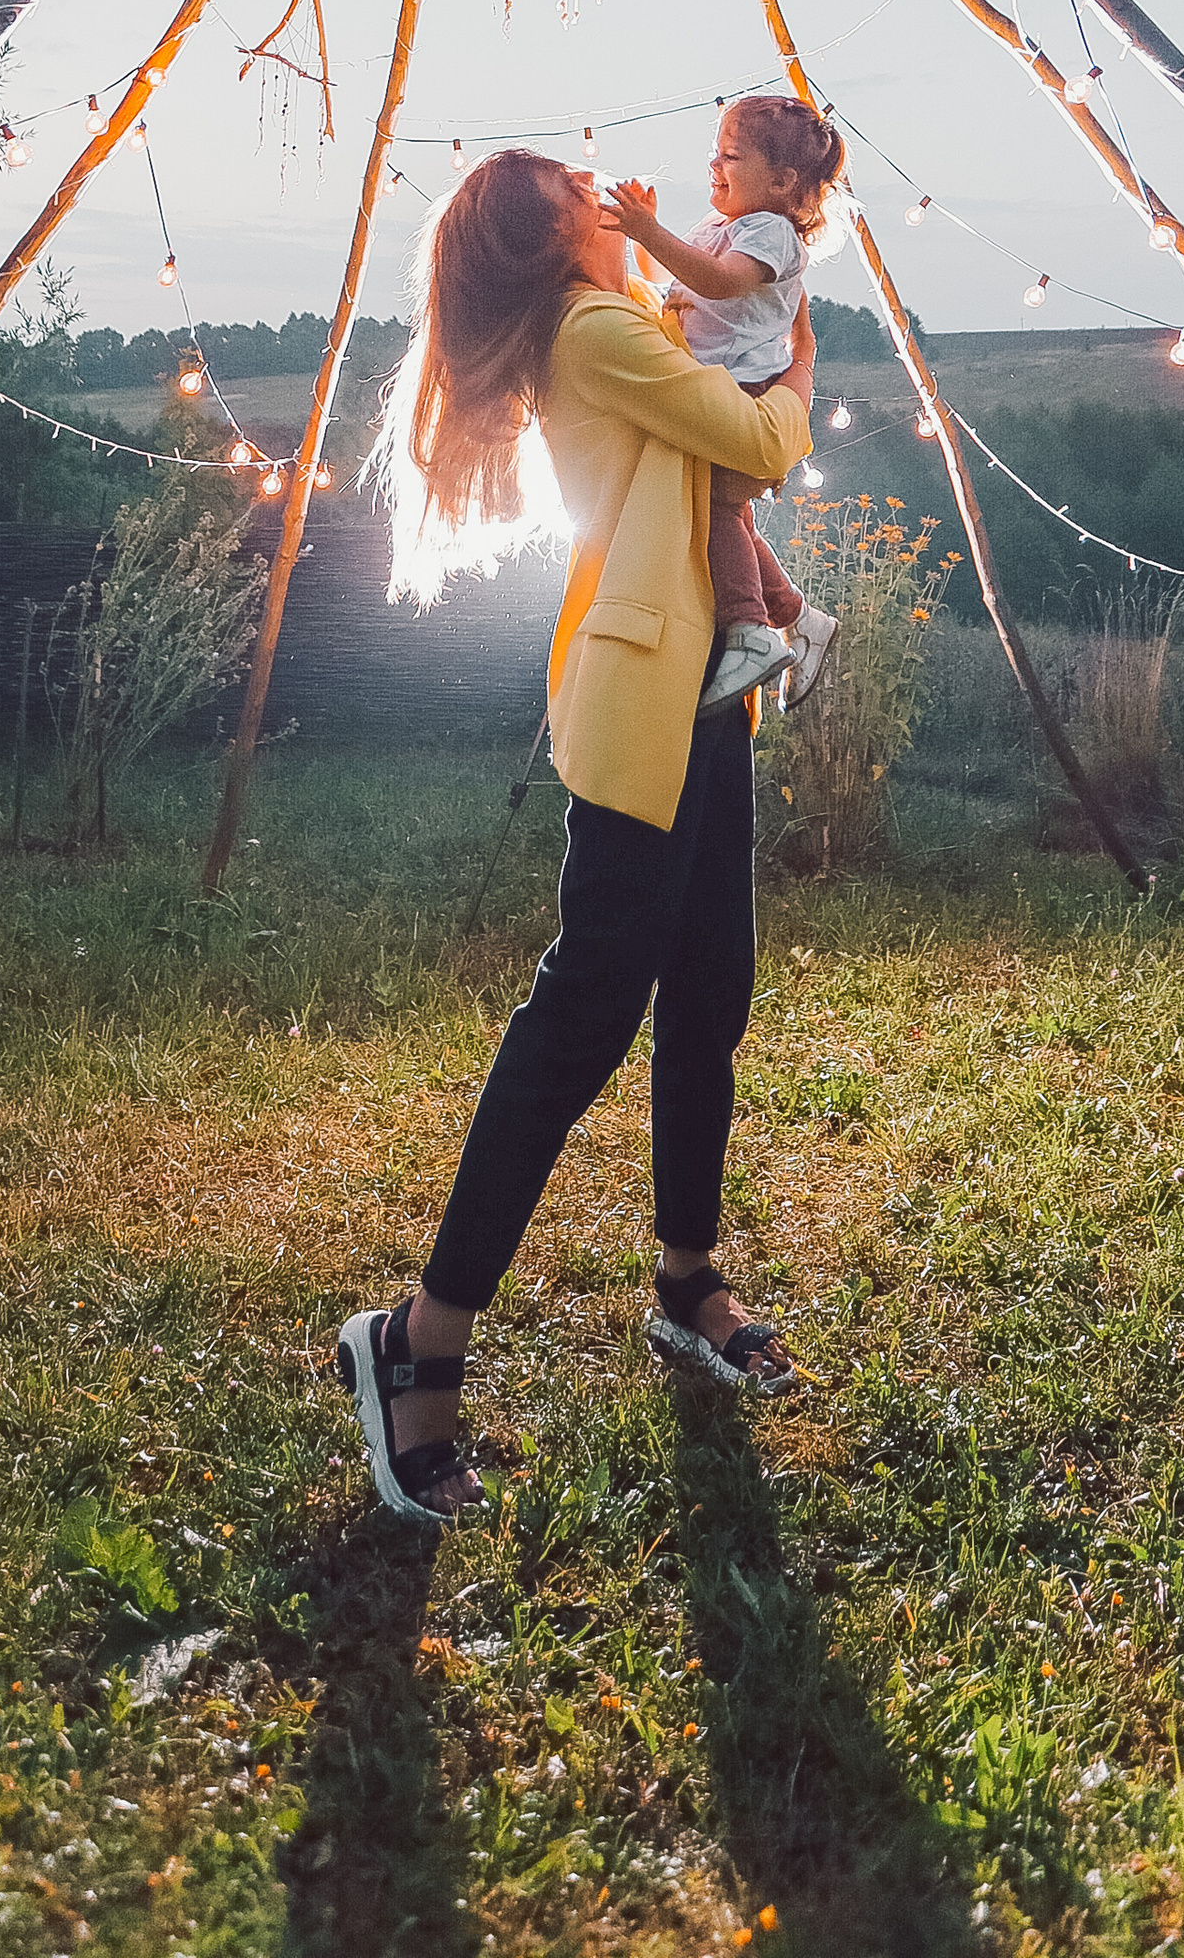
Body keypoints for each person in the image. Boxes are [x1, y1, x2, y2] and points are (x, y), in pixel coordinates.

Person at [338, 146, 816, 1524]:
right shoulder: (593, 326)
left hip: (699, 693)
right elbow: (761, 445)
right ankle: (420, 1337)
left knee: (707, 988)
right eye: (572, 187)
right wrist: (799, 364)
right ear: (545, 238)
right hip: (647, 705)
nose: (603, 190)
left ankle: (685, 1280)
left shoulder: (621, 321)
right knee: (585, 1012)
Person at [610, 94, 847, 710]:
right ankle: (798, 616)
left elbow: (722, 282)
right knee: (727, 516)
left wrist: (648, 230)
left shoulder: (773, 234)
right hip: (719, 384)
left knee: (714, 510)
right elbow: (679, 284)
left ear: (782, 180)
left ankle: (750, 630)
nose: (714, 164)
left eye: (730, 155)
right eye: (714, 152)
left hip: (748, 390)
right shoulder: (718, 228)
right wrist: (648, 239)